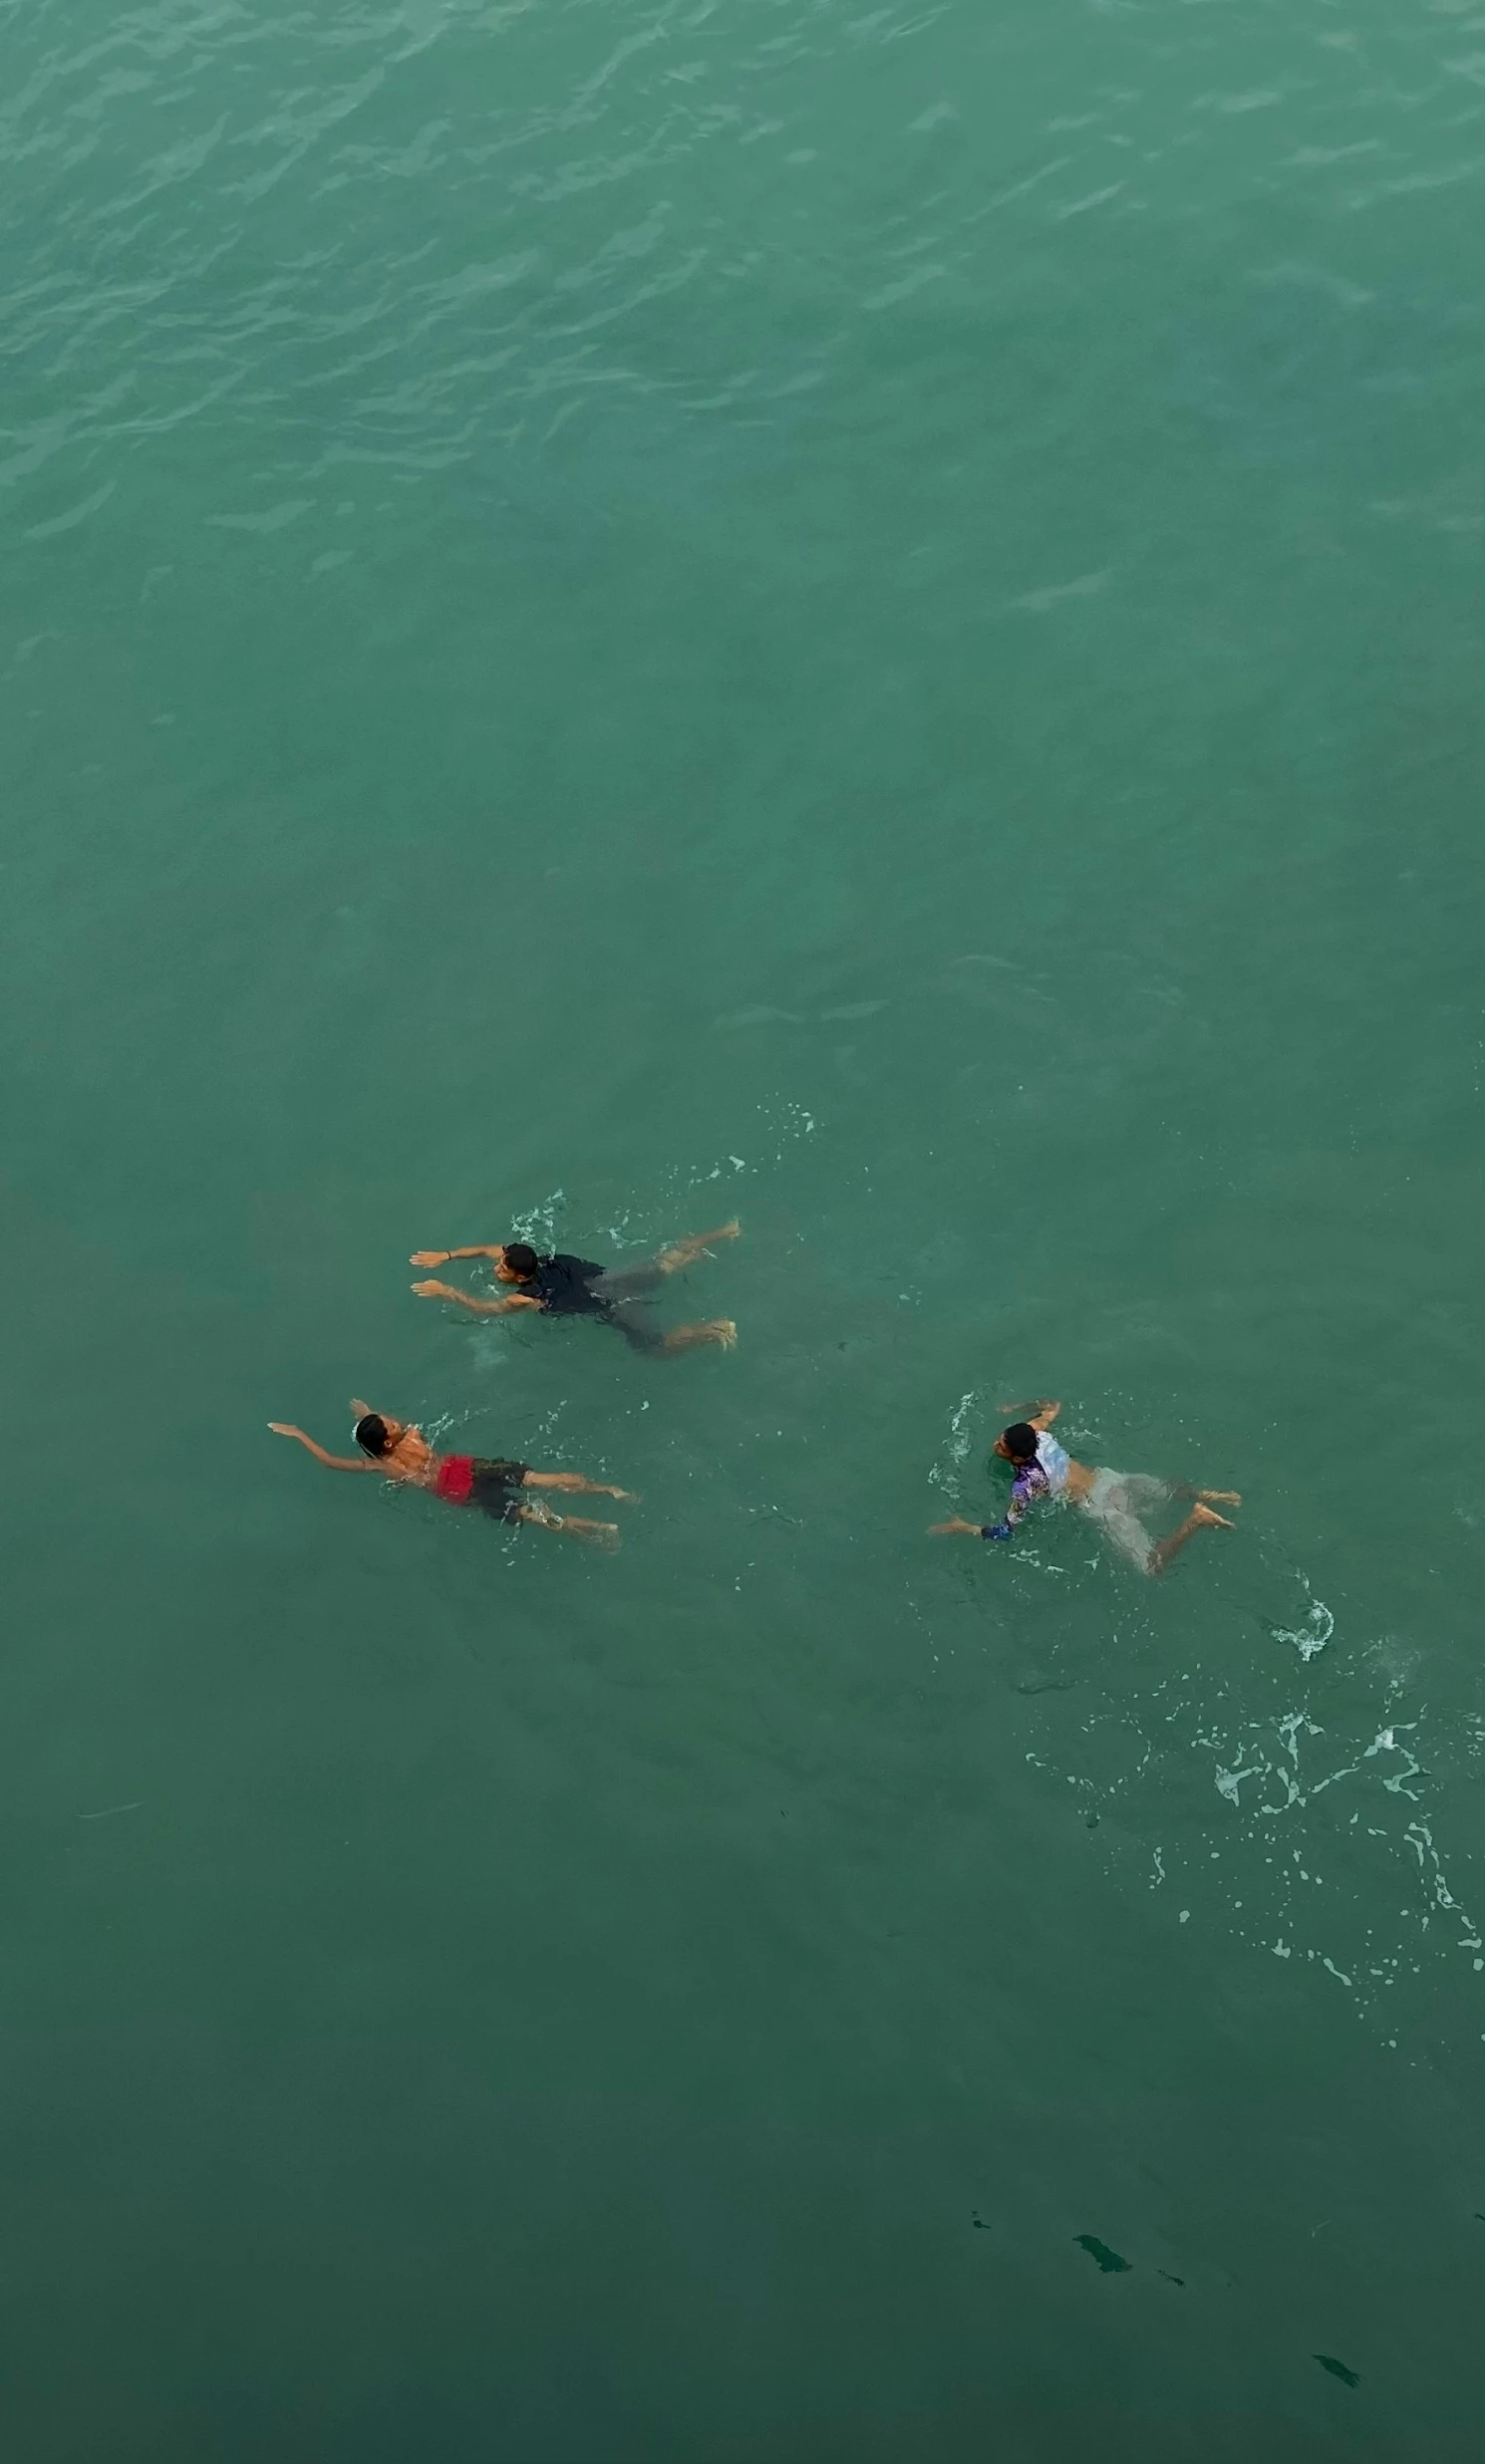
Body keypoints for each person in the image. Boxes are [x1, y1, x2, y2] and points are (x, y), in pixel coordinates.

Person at [931, 1400, 1240, 1575]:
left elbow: (1006, 1533)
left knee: (1151, 1568)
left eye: (1001, 1445)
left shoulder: (1026, 1483)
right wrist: (1018, 1408)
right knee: (1170, 1489)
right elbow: (1051, 1406)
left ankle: (1196, 1519)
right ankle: (1211, 1495)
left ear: (1018, 1456)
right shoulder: (1036, 1431)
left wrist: (964, 1527)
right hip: (1111, 1480)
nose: (994, 1444)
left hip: (1102, 1507)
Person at [268, 1401, 636, 1546]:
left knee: (527, 1513)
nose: (395, 1421)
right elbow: (394, 1428)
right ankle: (609, 1491)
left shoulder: (384, 1464)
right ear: (389, 1437)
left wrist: (300, 1434)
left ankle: (598, 1529)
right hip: (462, 1465)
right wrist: (366, 1412)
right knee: (537, 1479)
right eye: (388, 1423)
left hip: (457, 1488)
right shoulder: (413, 1436)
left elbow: (330, 1461)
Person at [409, 1220, 741, 1357]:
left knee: (656, 1348)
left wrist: (448, 1292)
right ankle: (725, 1233)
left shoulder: (526, 1296)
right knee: (666, 1263)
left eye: (501, 1267)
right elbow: (486, 1250)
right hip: (608, 1278)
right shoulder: (535, 1259)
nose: (496, 1266)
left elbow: (486, 1310)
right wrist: (447, 1255)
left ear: (519, 1276)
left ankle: (715, 1329)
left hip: (611, 1302)